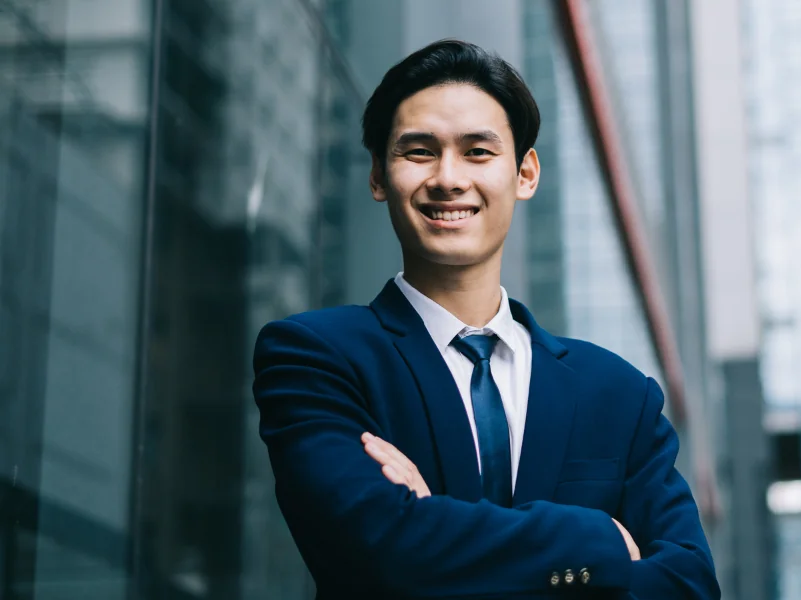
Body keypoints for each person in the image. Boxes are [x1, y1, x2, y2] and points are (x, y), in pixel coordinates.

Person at [252, 39, 718, 598]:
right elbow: (380, 549)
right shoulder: (315, 357)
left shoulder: (618, 394)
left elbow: (688, 585)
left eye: (478, 151)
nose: (449, 178)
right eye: (419, 151)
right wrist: (600, 544)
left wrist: (435, 535)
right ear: (378, 176)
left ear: (525, 174)